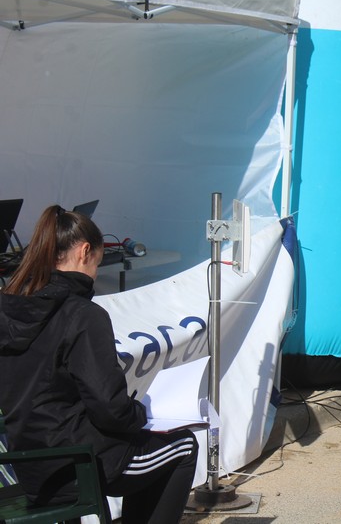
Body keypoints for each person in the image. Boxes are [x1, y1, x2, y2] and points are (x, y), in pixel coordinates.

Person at [0, 206, 198, 523]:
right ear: (84, 252)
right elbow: (109, 408)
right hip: (79, 463)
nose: (95, 272)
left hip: (31, 467)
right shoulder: (82, 315)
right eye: (97, 262)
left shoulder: (13, 311)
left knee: (148, 447)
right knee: (183, 446)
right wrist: (141, 415)